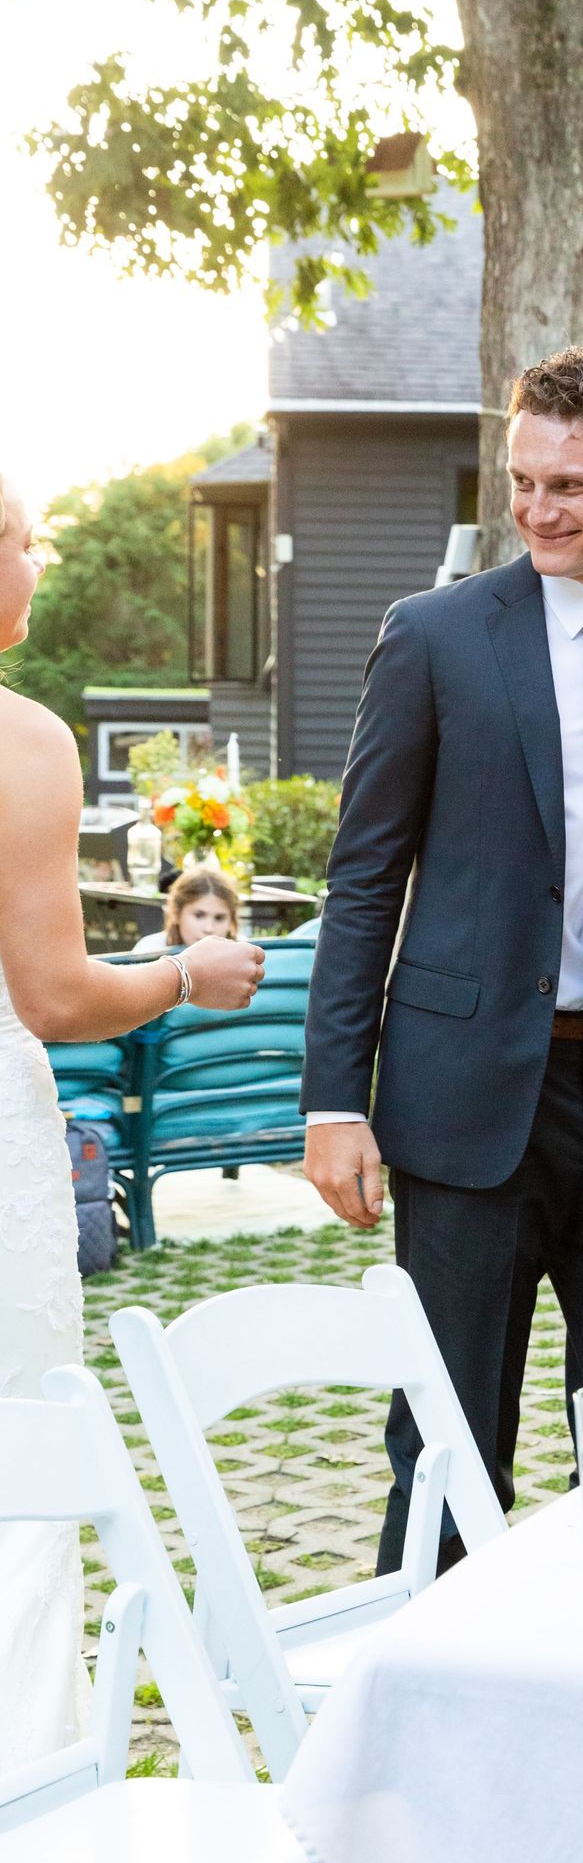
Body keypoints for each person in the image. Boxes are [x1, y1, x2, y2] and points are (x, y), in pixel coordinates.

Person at [301, 346, 583, 1567]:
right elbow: (363, 881)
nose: (539, 510)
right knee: (451, 1445)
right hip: (465, 1101)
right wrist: (335, 1101)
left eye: (572, 486)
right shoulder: (438, 637)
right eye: (523, 481)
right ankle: (434, 1717)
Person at [0, 474, 265, 1773]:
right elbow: (52, 993)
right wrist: (185, 976)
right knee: (21, 1463)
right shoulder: (24, 741)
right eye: (27, 537)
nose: (39, 563)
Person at [132, 864, 240, 953]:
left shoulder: (245, 953)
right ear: (176, 912)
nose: (209, 928)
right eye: (199, 915)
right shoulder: (148, 950)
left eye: (219, 918)